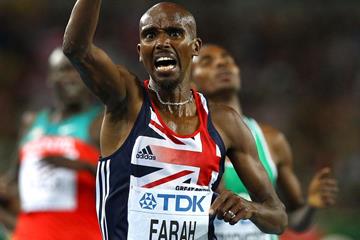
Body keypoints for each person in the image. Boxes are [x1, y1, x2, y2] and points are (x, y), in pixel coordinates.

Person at [62, 1, 287, 239]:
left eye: (174, 33)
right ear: (140, 51)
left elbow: (277, 217)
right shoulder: (127, 102)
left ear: (195, 46)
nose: (161, 43)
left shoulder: (224, 123)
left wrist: (250, 208)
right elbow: (77, 49)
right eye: (150, 35)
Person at [192, 43, 339, 240]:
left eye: (227, 60)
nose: (221, 64)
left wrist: (311, 205)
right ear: (190, 82)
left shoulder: (271, 140)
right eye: (207, 62)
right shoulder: (185, 142)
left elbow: (293, 221)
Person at [5, 48, 103, 240]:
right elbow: (14, 179)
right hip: (29, 233)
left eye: (78, 69)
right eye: (64, 69)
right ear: (50, 77)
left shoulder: (101, 122)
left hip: (80, 233)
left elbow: (125, 179)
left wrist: (82, 166)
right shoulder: (32, 121)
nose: (71, 76)